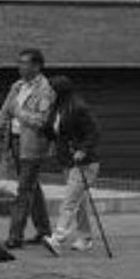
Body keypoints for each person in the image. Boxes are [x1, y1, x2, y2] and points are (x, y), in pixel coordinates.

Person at [0, 48, 56, 250]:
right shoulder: (17, 86)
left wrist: (20, 112)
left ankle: (15, 236)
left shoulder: (45, 90)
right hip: (15, 141)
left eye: (25, 63)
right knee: (32, 186)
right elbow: (5, 111)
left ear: (37, 66)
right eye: (19, 62)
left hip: (32, 145)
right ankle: (44, 231)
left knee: (23, 190)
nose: (20, 66)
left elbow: (41, 121)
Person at [45, 76, 101, 255]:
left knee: (69, 201)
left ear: (60, 91)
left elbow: (93, 132)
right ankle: (85, 238)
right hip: (68, 161)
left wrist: (83, 150)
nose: (48, 93)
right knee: (78, 201)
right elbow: (55, 132)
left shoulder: (78, 108)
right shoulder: (57, 108)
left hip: (85, 163)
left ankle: (57, 239)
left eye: (50, 90)